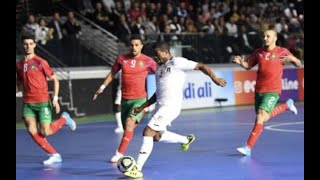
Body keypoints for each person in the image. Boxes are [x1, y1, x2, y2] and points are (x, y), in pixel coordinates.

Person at [123, 41, 227, 178]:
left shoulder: (177, 62)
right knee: (156, 136)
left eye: (157, 54)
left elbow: (201, 66)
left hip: (170, 106)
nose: (156, 58)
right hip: (160, 106)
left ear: (166, 52)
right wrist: (142, 107)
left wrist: (214, 77)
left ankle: (137, 168)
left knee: (148, 131)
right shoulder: (159, 70)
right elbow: (157, 94)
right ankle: (185, 140)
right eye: (154, 55)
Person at [232, 29, 302, 156]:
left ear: (275, 38)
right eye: (263, 36)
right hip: (259, 91)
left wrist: (291, 58)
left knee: (260, 116)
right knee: (264, 118)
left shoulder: (282, 51)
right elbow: (248, 65)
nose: (265, 38)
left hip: (273, 90)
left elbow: (298, 63)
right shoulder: (259, 52)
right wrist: (241, 62)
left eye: (268, 36)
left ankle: (248, 147)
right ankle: (287, 105)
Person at [93, 35, 157, 163]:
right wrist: (102, 86)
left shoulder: (148, 61)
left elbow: (160, 74)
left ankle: (119, 153)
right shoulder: (122, 59)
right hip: (125, 100)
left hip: (140, 100)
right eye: (132, 45)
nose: (134, 47)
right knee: (127, 127)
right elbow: (112, 73)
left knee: (129, 123)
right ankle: (159, 133)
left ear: (142, 46)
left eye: (137, 45)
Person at [16, 36, 77, 165]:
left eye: (31, 44)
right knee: (32, 130)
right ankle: (54, 154)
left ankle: (64, 119)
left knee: (45, 131)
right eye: (26, 44)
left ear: (34, 45)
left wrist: (55, 99)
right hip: (28, 103)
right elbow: (20, 83)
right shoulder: (19, 64)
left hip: (42, 101)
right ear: (23, 45)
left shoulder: (40, 62)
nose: (28, 46)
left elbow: (55, 80)